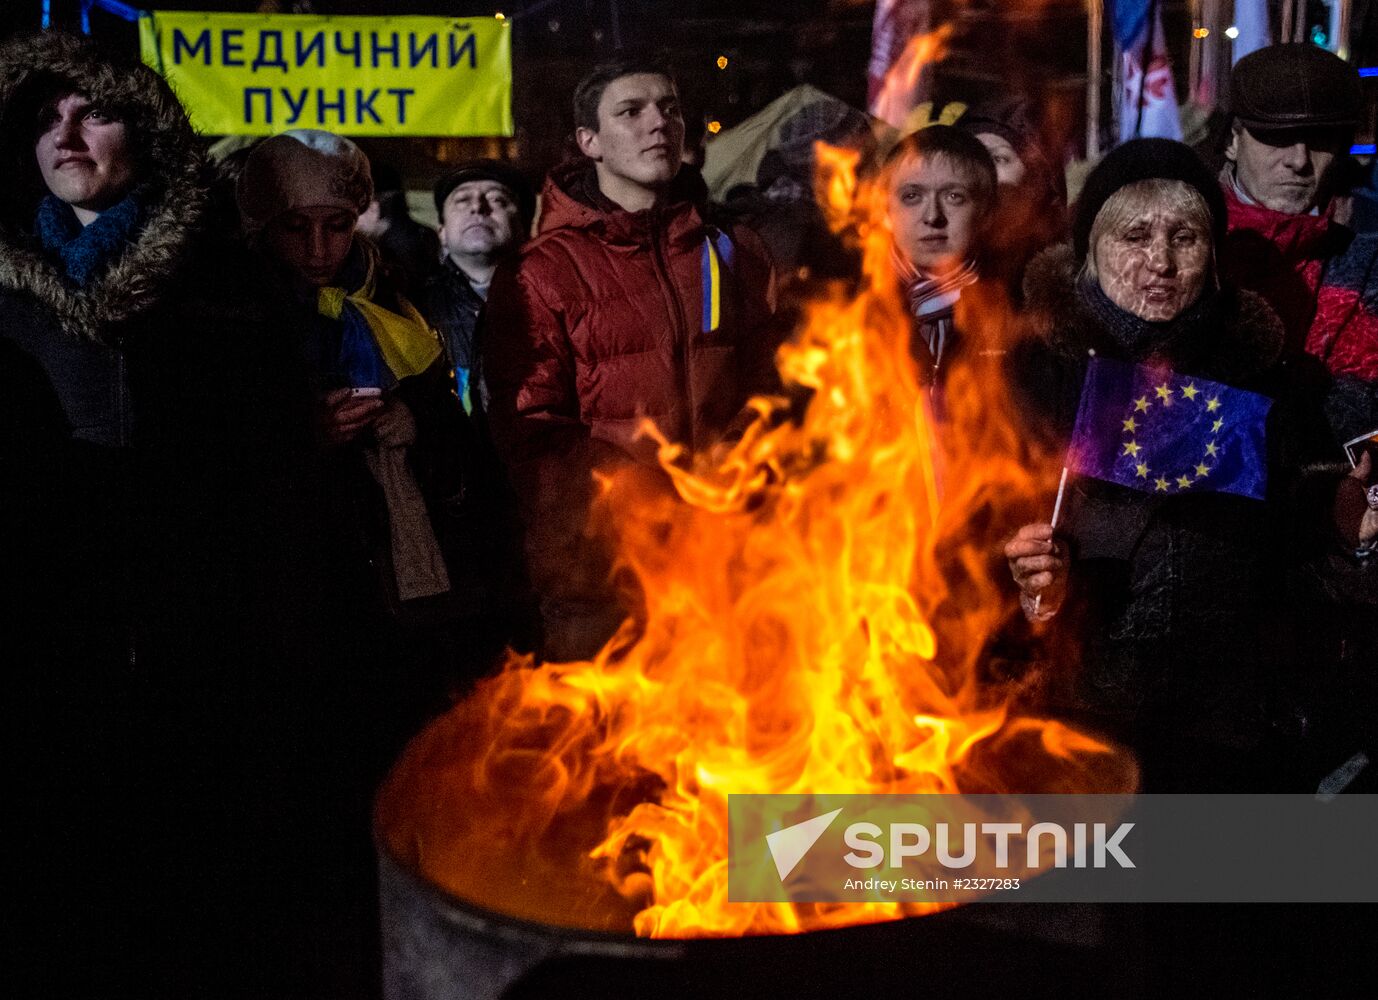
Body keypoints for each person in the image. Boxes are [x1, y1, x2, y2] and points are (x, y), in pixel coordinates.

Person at [0, 31, 316, 994]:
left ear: (146, 130)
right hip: (44, 633)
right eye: (45, 116)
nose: (67, 134)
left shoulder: (230, 282)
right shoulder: (2, 288)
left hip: (207, 633)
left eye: (92, 110)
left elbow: (281, 469)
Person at [1002, 138, 1367, 791]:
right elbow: (965, 558)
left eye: (1185, 237)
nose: (1160, 262)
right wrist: (1033, 593)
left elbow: (1298, 566)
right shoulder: (1032, 379)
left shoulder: (1263, 386)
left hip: (1227, 733)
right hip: (1073, 721)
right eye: (1134, 235)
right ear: (1090, 250)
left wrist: (1340, 533)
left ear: (1214, 258)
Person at [483, 53, 777, 662]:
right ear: (588, 141)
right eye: (631, 111)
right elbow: (532, 431)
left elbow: (773, 384)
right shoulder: (543, 271)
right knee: (600, 748)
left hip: (726, 557)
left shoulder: (733, 251)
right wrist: (638, 504)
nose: (659, 124)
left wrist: (739, 460)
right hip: (603, 572)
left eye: (670, 108)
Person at [1220, 43, 1378, 383]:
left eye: (1320, 139)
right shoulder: (1174, 248)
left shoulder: (1369, 258)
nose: (1299, 160)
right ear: (1233, 141)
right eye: (1278, 137)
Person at [880, 125, 1011, 391]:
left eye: (954, 196)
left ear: (987, 213)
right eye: (912, 196)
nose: (932, 216)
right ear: (886, 211)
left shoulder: (1018, 315)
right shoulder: (845, 310)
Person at [424, 158, 535, 412]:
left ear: (526, 228)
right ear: (441, 231)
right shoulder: (412, 303)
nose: (478, 207)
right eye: (462, 200)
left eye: (498, 199)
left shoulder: (560, 300)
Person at [956, 96, 1069, 301]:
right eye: (971, 156)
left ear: (1036, 179)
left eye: (999, 158)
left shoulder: (1066, 281)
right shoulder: (936, 265)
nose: (982, 169)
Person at [355, 159, 441, 299]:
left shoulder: (389, 258)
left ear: (373, 209)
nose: (352, 225)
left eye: (354, 212)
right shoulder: (425, 237)